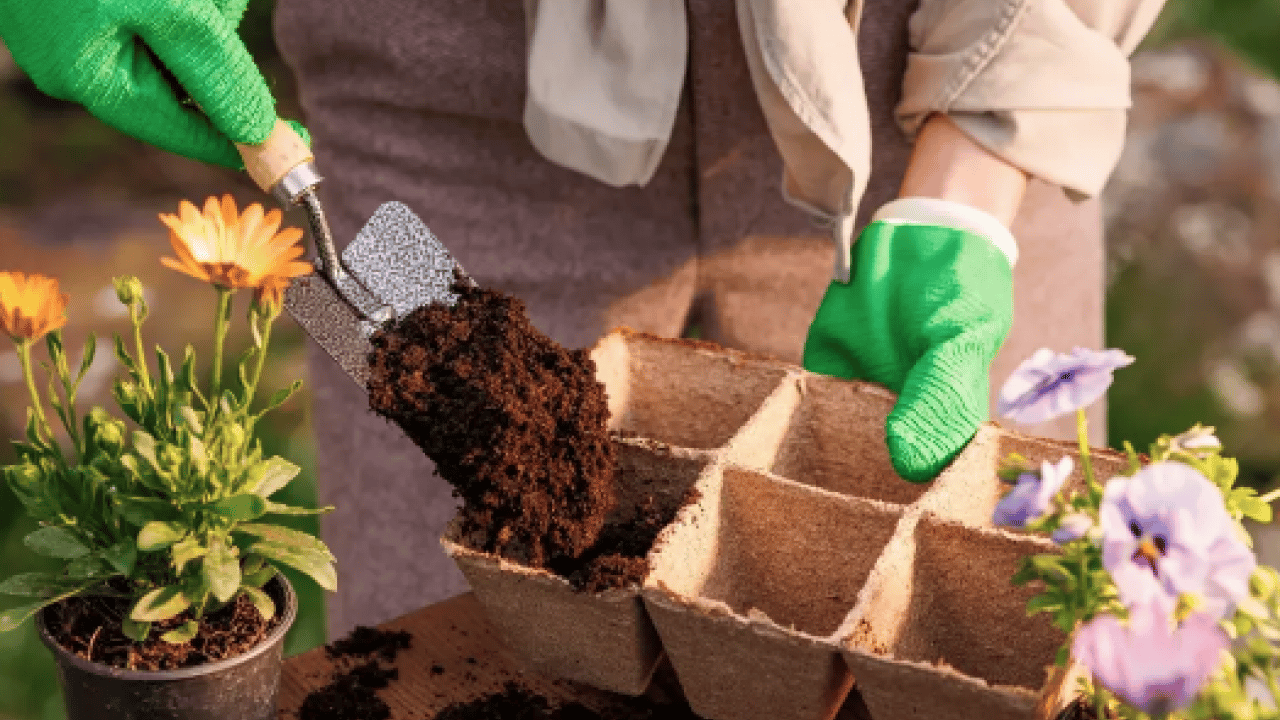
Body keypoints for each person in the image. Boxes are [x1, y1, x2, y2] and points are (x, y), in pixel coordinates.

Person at [0, 0, 1167, 640]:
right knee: (446, 661)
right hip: (449, 94)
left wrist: (965, 190)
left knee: (966, 645)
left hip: (911, 108)